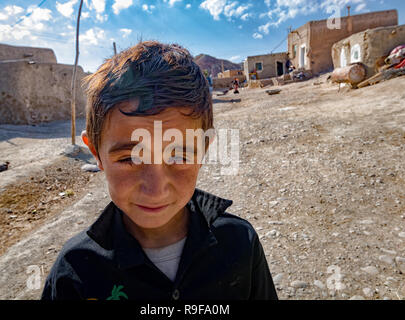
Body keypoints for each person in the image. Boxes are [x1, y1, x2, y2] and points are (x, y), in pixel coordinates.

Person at [41, 41, 277, 300]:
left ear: (203, 150)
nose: (155, 189)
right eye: (130, 159)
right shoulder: (75, 273)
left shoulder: (240, 244)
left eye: (178, 156)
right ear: (96, 152)